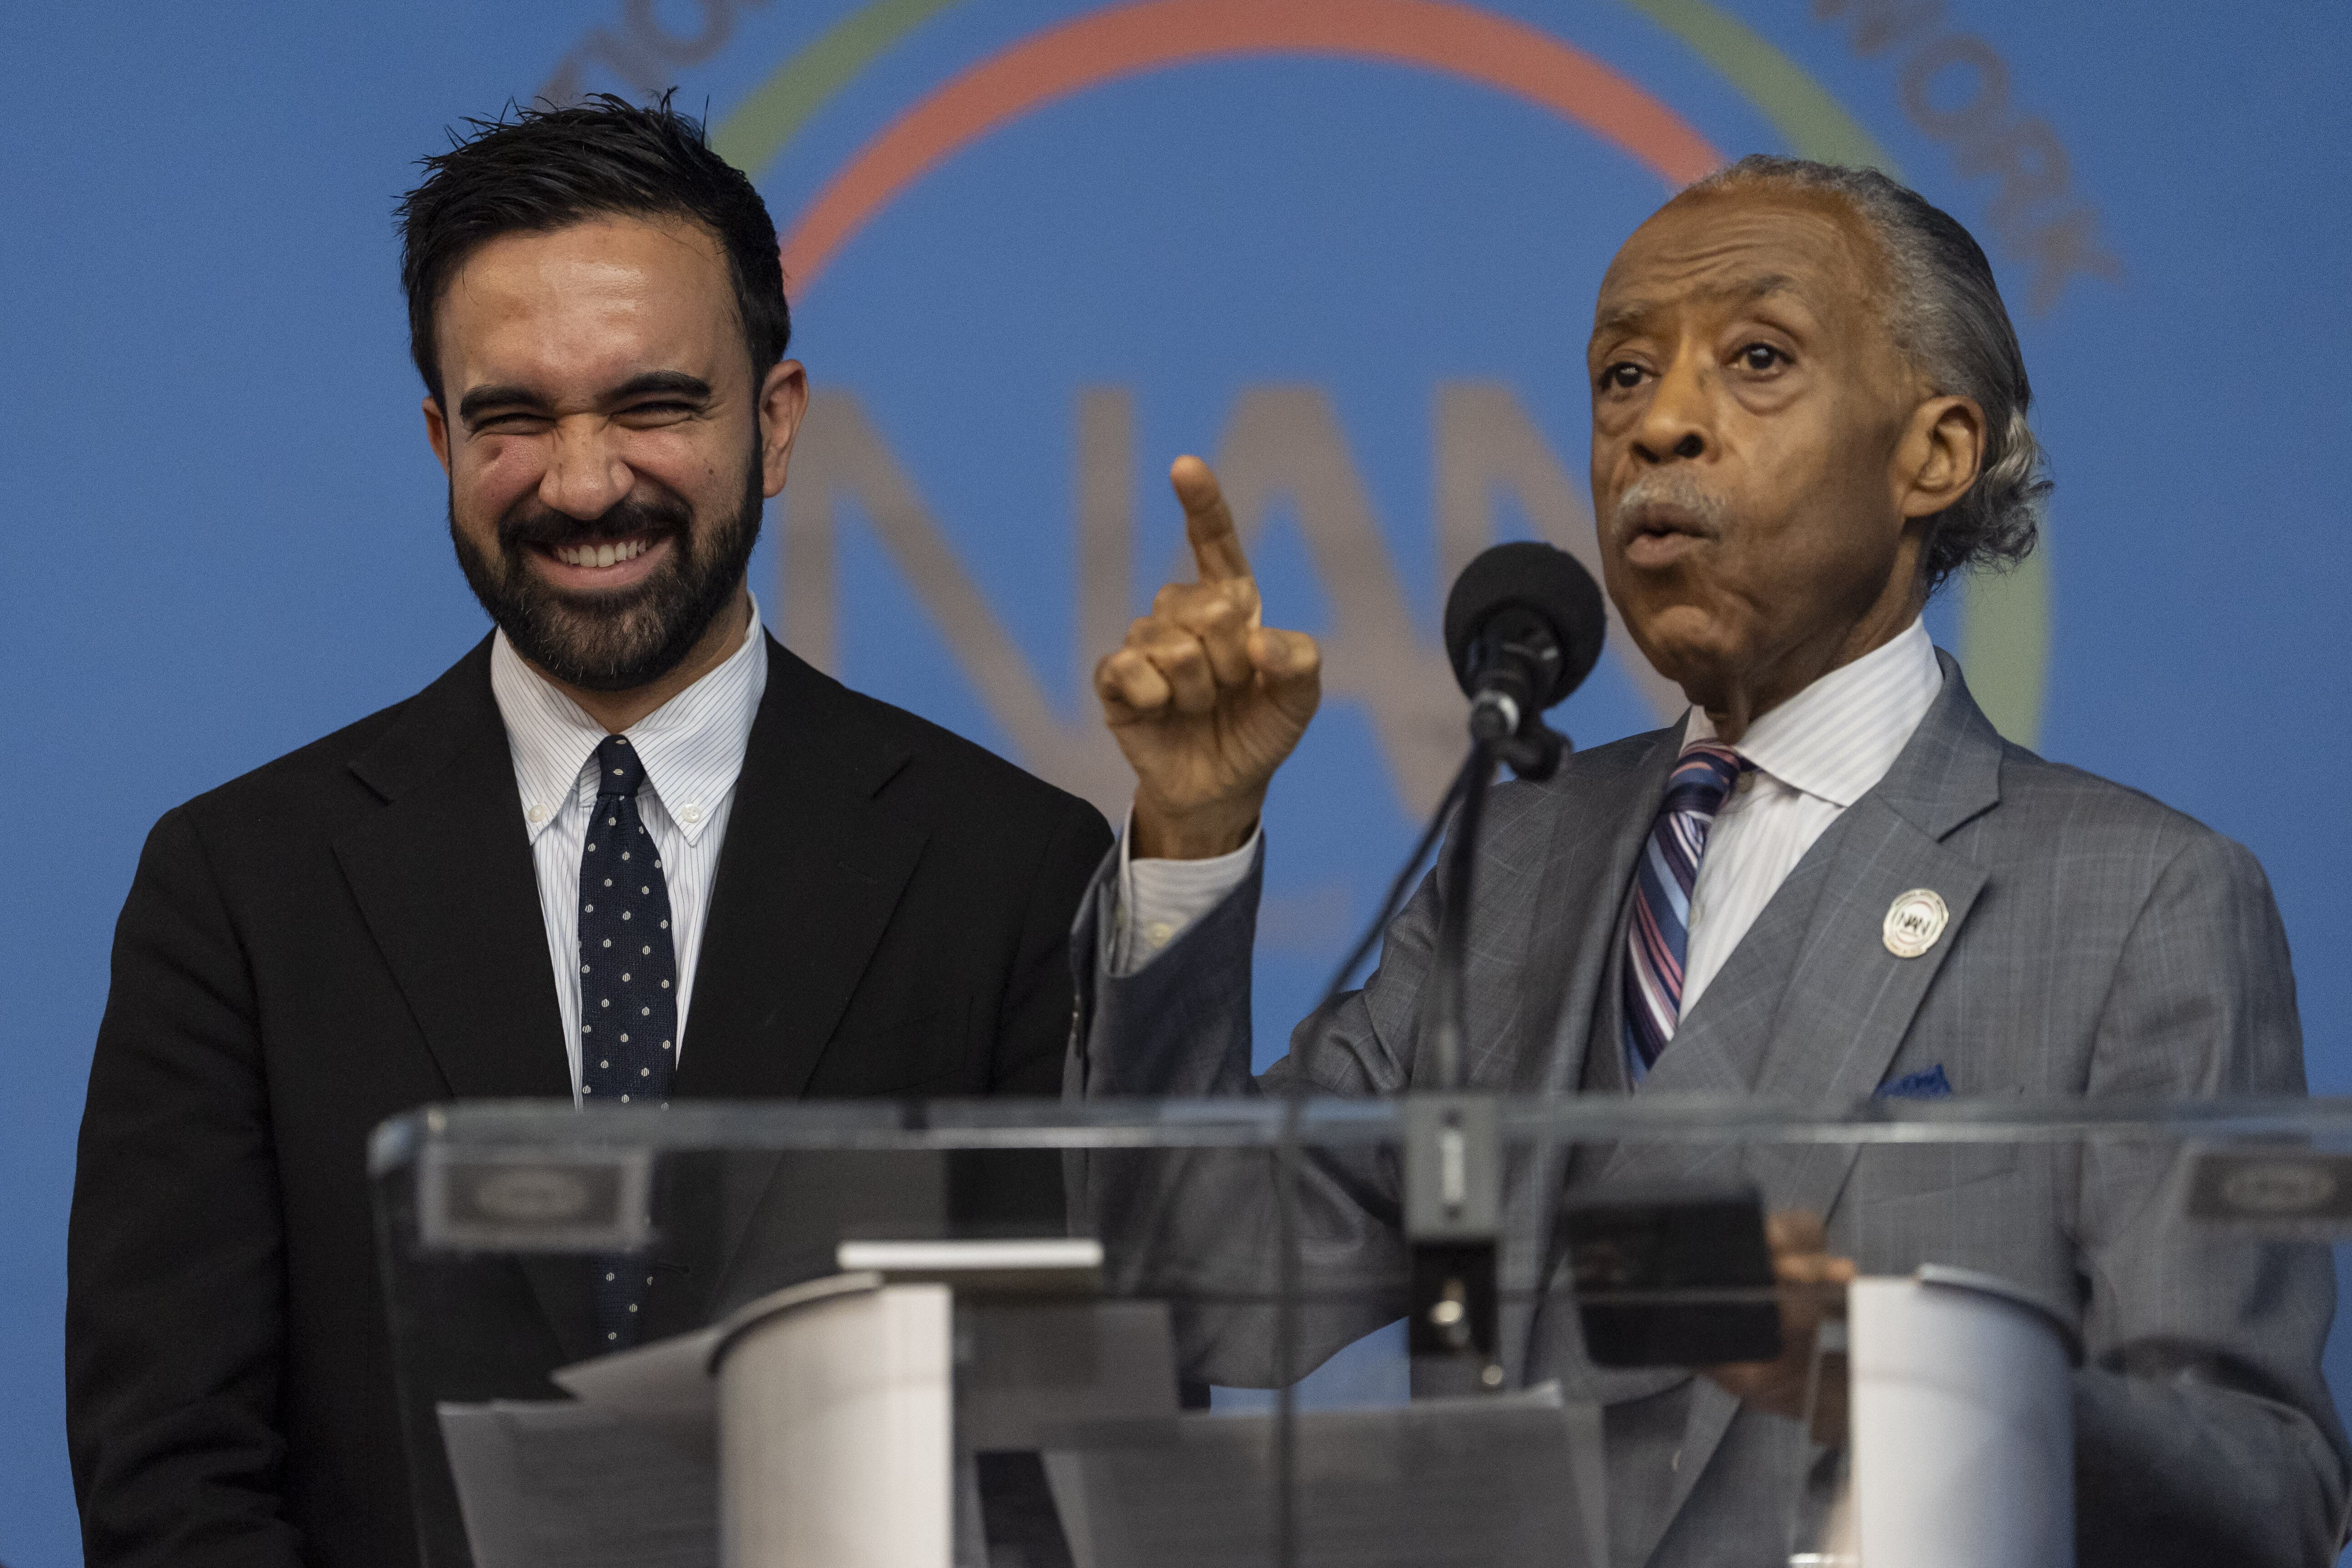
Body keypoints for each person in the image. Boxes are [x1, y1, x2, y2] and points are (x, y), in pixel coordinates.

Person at [1073, 156, 2348, 1566]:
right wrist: (1193, 838)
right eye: (1622, 375)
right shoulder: (1515, 854)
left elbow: (2262, 1496)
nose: (1661, 424)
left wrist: (1904, 1381)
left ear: (1934, 454)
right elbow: (1197, 1285)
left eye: (1755, 359)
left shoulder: (2139, 902)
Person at [67, 96, 1111, 1568]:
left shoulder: (1011, 869)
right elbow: (168, 1477)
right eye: (514, 418)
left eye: (652, 404)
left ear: (776, 422)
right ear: (440, 439)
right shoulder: (238, 889)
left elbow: (1059, 1458)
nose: (581, 481)